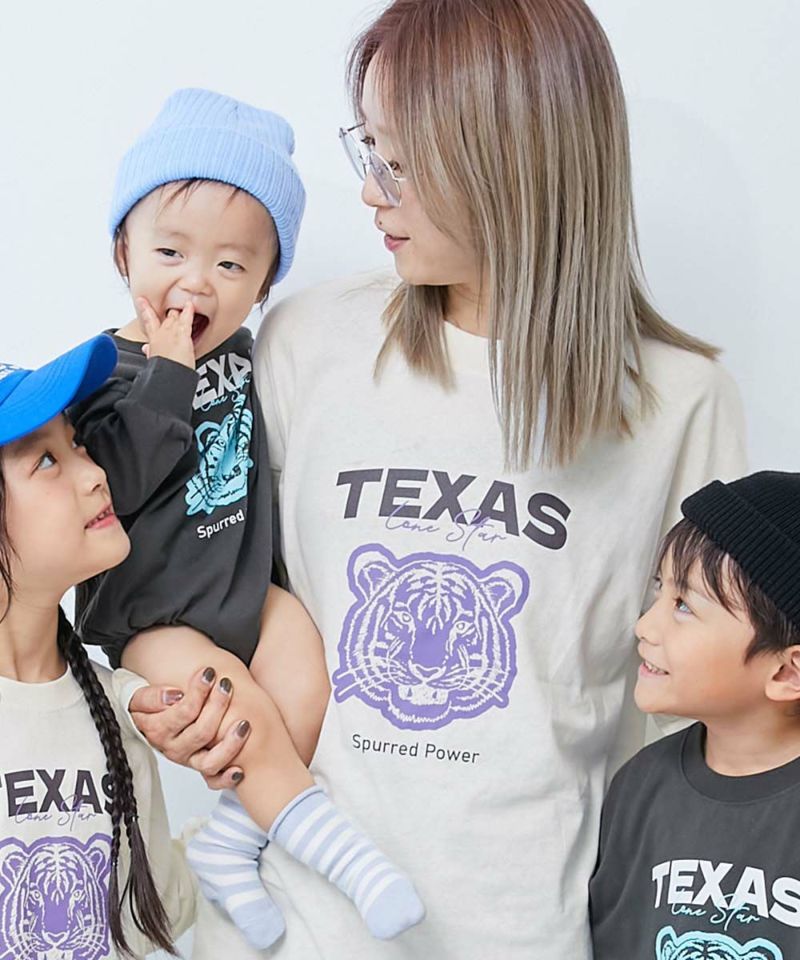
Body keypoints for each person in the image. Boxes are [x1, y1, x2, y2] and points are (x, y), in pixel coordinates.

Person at [136, 1, 747, 956]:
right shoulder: (306, 342)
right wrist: (197, 708)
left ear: (511, 160)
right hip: (287, 928)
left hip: (525, 932)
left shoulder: (680, 403)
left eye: (402, 163)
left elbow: (718, 727)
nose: (370, 191)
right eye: (369, 149)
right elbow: (222, 585)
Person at [70, 87, 424, 951]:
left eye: (232, 266)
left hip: (242, 591)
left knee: (308, 677)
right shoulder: (104, 372)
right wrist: (167, 372)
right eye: (169, 252)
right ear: (122, 252)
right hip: (155, 615)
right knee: (241, 716)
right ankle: (349, 860)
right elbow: (120, 479)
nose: (196, 281)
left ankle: (232, 840)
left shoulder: (245, 351)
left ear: (265, 285)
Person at [0, 336, 195, 959]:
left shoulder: (118, 713)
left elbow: (151, 922)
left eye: (77, 443)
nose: (94, 473)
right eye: (46, 461)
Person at [590, 471, 800, 960]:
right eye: (659, 590)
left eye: (683, 605)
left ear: (787, 672)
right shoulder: (641, 786)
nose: (645, 626)